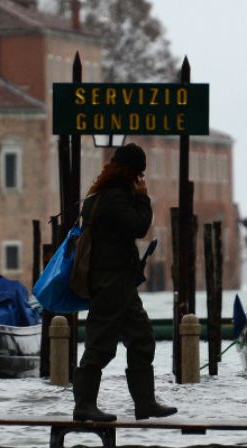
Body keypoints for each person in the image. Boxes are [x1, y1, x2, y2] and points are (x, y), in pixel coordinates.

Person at [72, 143, 177, 422]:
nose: (140, 180)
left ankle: (145, 404)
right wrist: (143, 198)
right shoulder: (114, 199)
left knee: (142, 338)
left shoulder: (98, 196)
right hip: (111, 280)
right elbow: (139, 227)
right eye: (139, 174)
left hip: (118, 281)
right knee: (100, 342)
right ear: (130, 172)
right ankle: (84, 405)